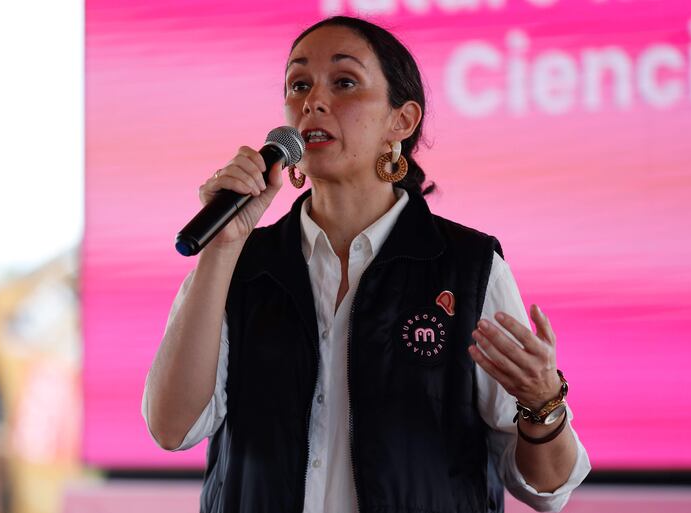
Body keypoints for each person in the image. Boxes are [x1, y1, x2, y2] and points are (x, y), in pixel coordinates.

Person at [142, 15, 590, 513]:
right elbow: (171, 428)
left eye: (345, 82)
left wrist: (543, 403)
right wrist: (221, 250)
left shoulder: (468, 267)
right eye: (299, 84)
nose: (313, 100)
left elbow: (545, 490)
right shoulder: (238, 263)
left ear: (401, 121)